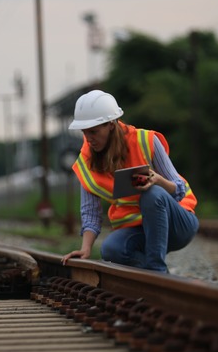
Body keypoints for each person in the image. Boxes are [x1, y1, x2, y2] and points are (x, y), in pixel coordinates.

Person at [61, 90, 198, 272]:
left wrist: (158, 181)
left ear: (111, 124)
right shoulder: (87, 161)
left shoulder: (145, 140)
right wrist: (85, 249)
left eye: (93, 131)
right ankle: (160, 277)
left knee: (153, 194)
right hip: (140, 229)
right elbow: (91, 213)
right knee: (111, 249)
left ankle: (156, 271)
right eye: (84, 132)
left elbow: (179, 190)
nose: (89, 139)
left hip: (178, 223)